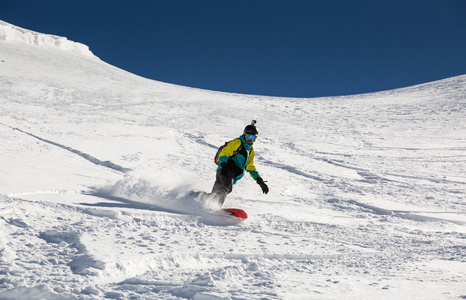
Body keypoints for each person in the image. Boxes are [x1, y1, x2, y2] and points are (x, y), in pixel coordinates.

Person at [208, 121, 269, 206]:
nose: (250, 139)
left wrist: (259, 180)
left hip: (232, 174)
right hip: (226, 170)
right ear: (244, 135)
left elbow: (250, 166)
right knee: (225, 188)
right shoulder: (237, 142)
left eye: (252, 137)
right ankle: (214, 207)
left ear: (255, 138)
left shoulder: (250, 150)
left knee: (218, 191)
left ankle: (198, 198)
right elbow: (225, 153)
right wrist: (224, 165)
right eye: (248, 136)